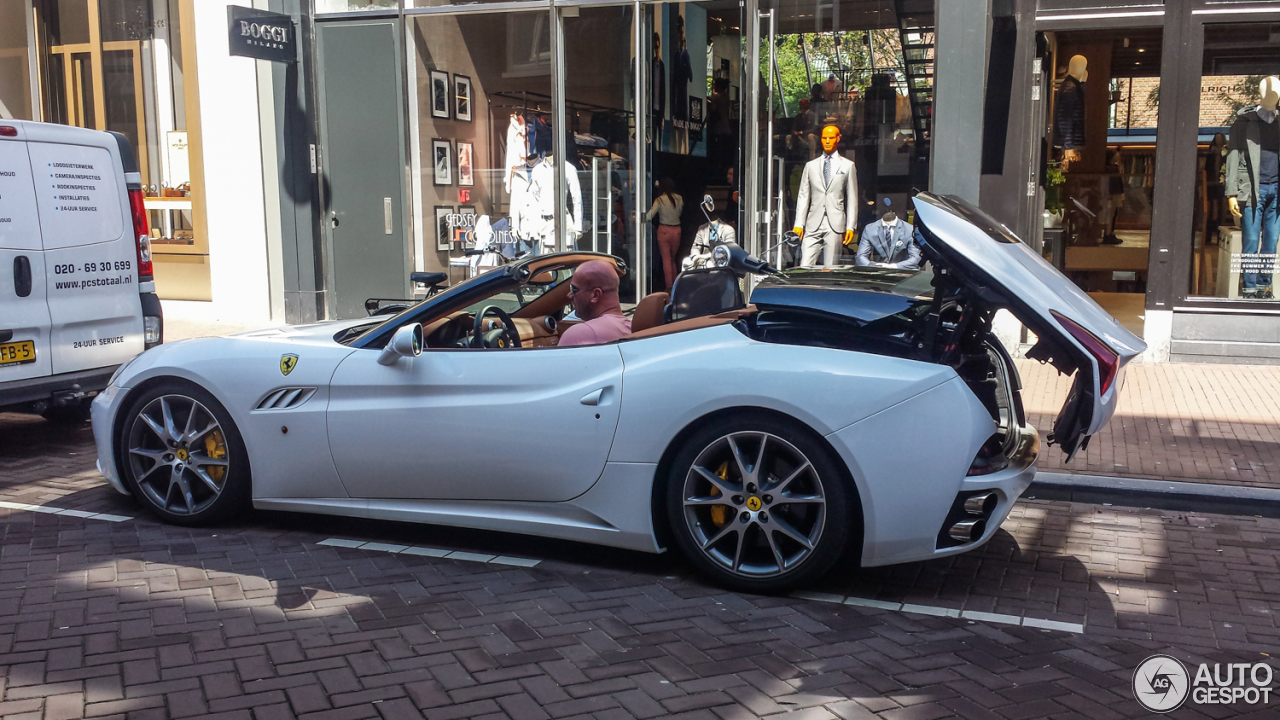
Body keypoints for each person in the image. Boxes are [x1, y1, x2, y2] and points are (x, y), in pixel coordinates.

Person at [792, 125, 858, 266]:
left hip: (835, 223)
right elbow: (803, 196)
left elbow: (852, 198)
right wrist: (799, 223)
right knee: (805, 265)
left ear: (838, 139)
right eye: (824, 138)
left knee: (830, 268)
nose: (827, 141)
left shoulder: (847, 166)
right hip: (812, 222)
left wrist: (850, 226)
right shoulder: (811, 166)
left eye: (831, 138)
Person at [559, 260, 632, 347]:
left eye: (574, 289)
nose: (569, 295)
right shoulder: (634, 330)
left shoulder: (578, 335)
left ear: (595, 295)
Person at [646, 177, 684, 289]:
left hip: (664, 230)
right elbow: (680, 212)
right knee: (673, 259)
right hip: (677, 230)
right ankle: (675, 284)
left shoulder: (660, 200)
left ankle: (669, 286)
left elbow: (650, 215)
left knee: (666, 259)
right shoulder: (679, 198)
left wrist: (639, 217)